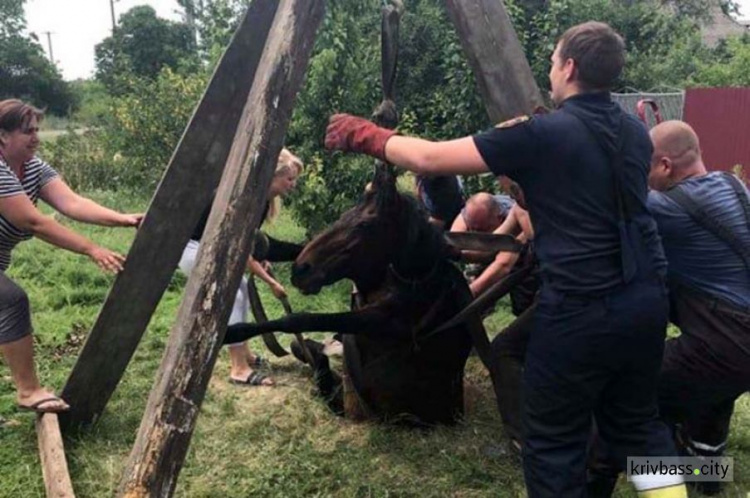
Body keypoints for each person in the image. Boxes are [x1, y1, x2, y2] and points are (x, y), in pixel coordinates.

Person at [324, 21, 685, 498]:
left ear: (570, 66)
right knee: (639, 425)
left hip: (581, 309)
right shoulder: (635, 134)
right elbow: (579, 198)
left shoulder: (541, 134)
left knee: (553, 443)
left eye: (554, 60)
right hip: (646, 302)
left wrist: (365, 135)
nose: (551, 70)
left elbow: (431, 159)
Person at [0, 99, 142, 413]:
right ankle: (28, 390)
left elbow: (73, 203)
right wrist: (92, 248)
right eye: (27, 132)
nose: (36, 137)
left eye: (37, 129)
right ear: (3, 137)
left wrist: (123, 218)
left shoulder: (32, 167)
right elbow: (34, 221)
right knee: (10, 301)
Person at [647, 121, 749, 495]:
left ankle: (660, 483)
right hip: (740, 343)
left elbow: (604, 217)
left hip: (727, 339)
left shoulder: (664, 206)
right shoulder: (733, 185)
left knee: (635, 397)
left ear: (665, 166)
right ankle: (708, 477)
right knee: (713, 390)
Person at [179, 148, 303, 387]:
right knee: (232, 294)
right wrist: (271, 282)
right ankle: (238, 369)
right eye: (290, 178)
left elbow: (245, 243)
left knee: (242, 287)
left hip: (213, 247)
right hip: (194, 248)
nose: (293, 184)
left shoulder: (262, 202)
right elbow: (240, 251)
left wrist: (262, 260)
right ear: (273, 175)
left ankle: (245, 354)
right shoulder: (245, 199)